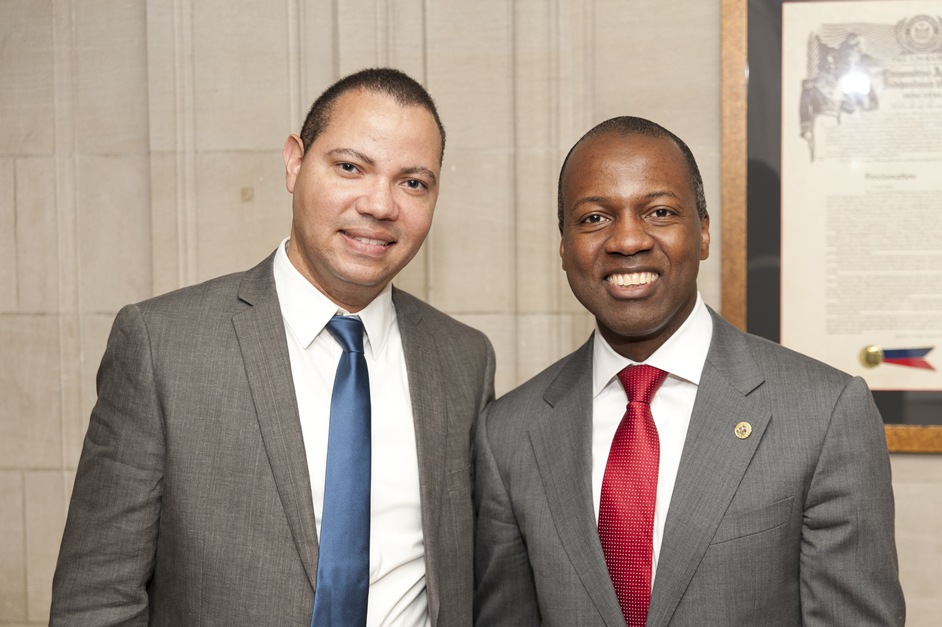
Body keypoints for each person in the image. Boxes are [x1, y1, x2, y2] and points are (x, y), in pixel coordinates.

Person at [50, 68, 495, 627]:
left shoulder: (464, 360)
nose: (380, 205)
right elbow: (97, 599)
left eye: (413, 183)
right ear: (294, 163)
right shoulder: (163, 346)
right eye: (350, 167)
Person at [473, 116, 904, 626]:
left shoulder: (824, 413)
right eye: (594, 218)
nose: (627, 240)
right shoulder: (508, 434)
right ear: (564, 245)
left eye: (659, 212)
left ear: (702, 231)